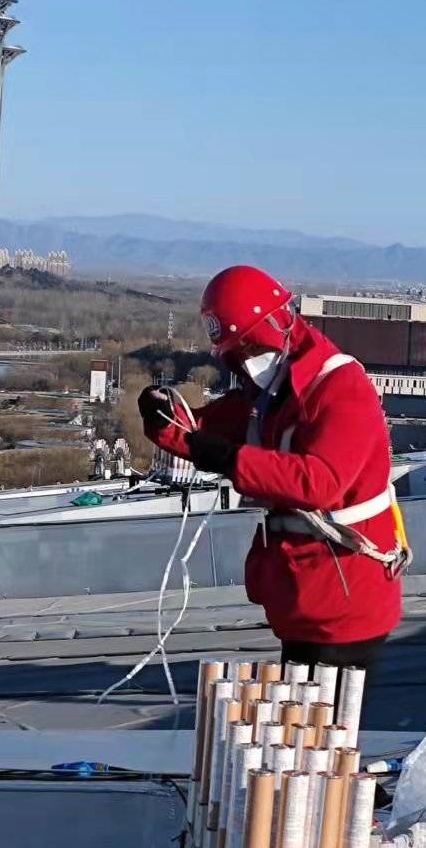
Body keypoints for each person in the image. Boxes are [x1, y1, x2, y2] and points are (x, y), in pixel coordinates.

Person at [139, 265, 406, 673]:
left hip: (344, 599)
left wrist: (228, 459)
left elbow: (320, 482)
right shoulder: (274, 393)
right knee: (301, 720)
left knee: (320, 724)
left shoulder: (340, 388)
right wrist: (166, 419)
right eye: (237, 354)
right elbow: (210, 429)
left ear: (273, 327)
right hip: (306, 593)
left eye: (247, 348)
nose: (245, 363)